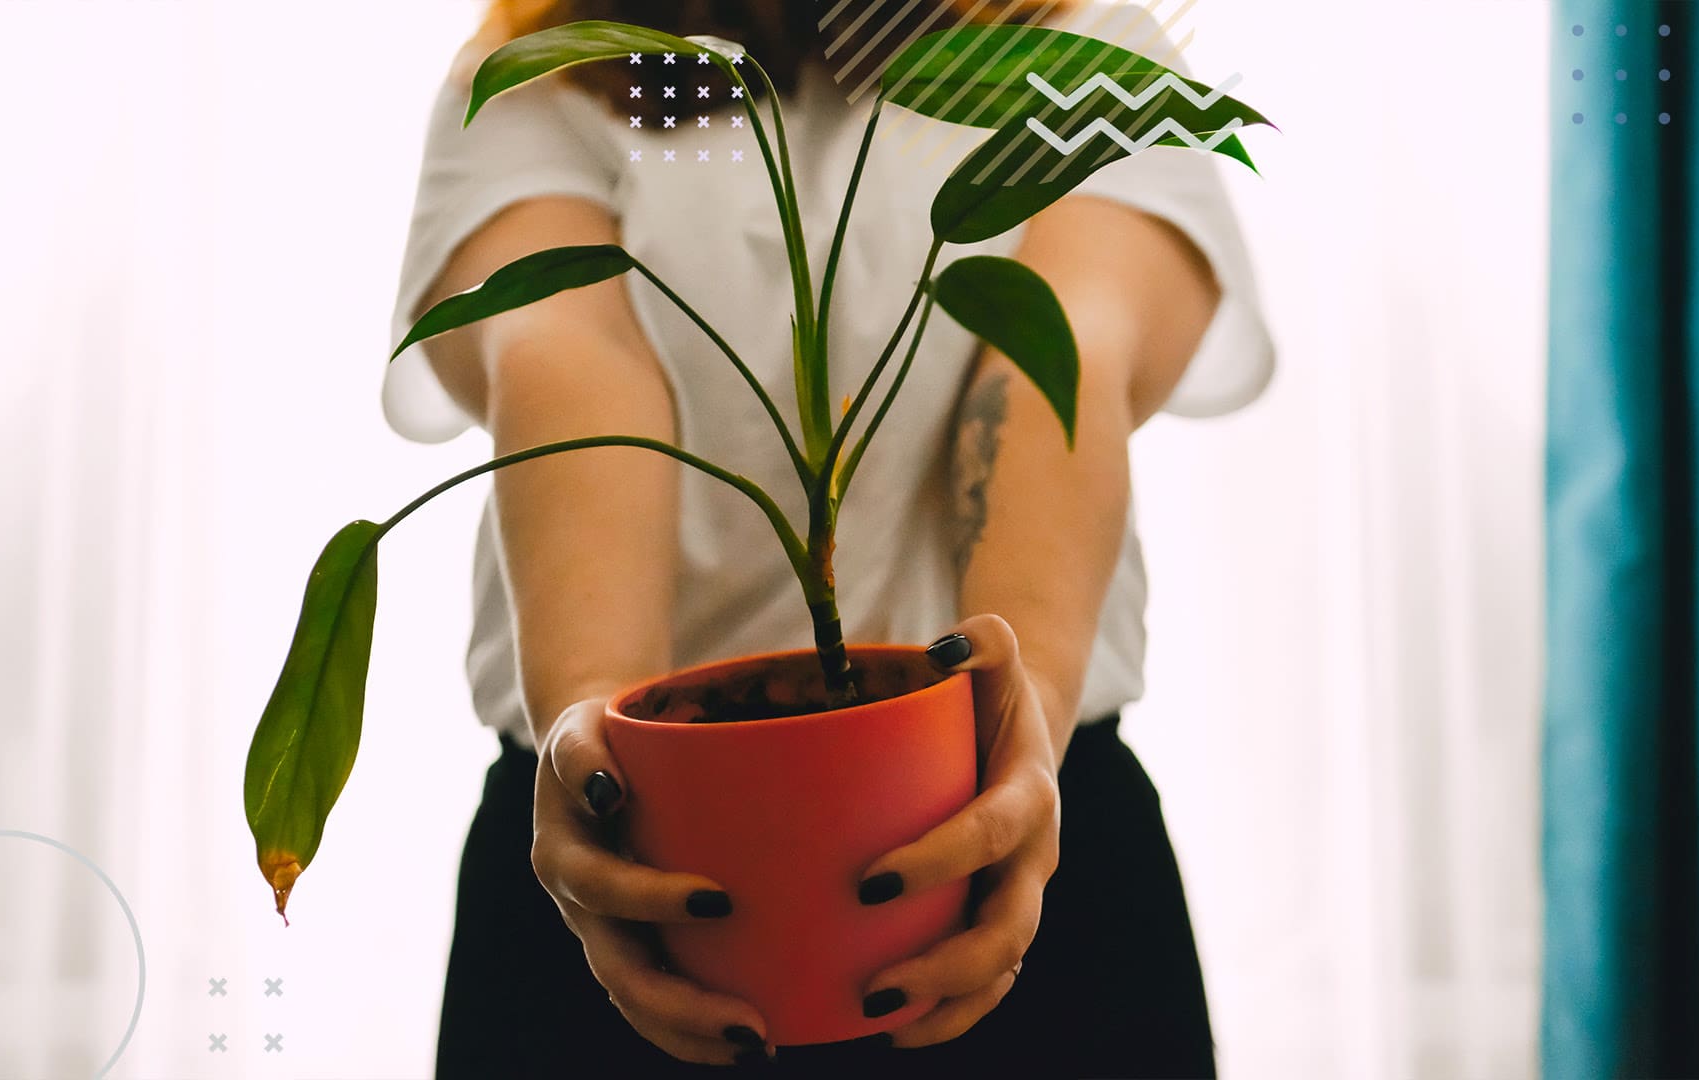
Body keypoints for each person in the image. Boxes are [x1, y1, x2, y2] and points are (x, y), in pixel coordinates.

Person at [383, 1, 1273, 1074]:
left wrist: (1017, 718)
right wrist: (598, 746)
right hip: (626, 879)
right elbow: (567, 358)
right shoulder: (554, 73)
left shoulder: (1077, 56)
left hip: (1009, 853)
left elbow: (1054, 349)